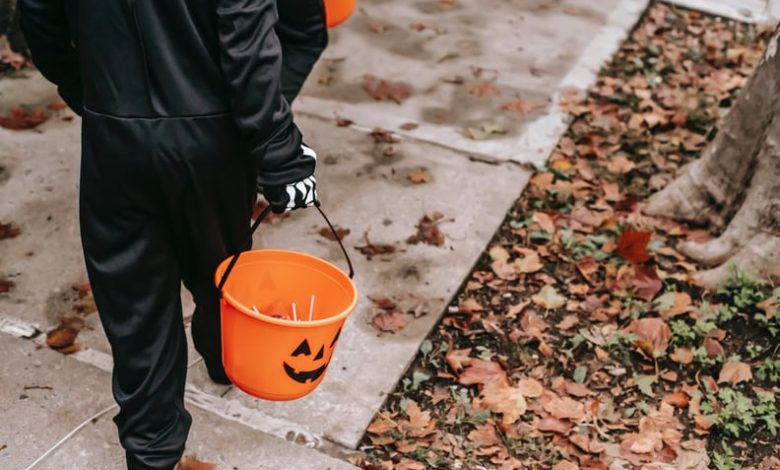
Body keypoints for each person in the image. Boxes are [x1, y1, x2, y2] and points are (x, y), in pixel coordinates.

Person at [18, 0, 329, 468]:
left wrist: (91, 94)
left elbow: (38, 18)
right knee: (220, 269)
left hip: (115, 135)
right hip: (212, 141)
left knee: (135, 308)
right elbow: (251, 40)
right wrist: (277, 148)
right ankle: (227, 356)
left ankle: (152, 455)